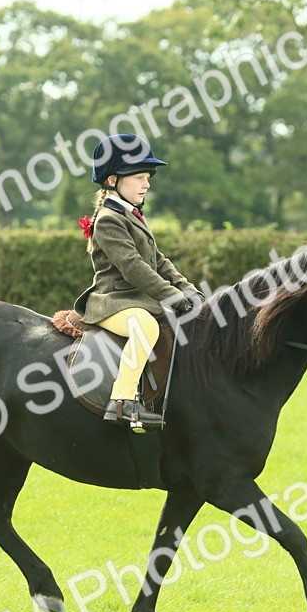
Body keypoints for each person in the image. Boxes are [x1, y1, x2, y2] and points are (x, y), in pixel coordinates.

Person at [75, 133, 199, 428]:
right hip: (113, 303)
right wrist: (173, 297)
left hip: (136, 301)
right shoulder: (108, 219)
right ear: (113, 180)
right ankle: (122, 400)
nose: (147, 184)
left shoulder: (132, 215)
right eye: (139, 177)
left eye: (148, 177)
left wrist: (190, 291)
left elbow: (160, 261)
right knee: (145, 326)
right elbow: (134, 267)